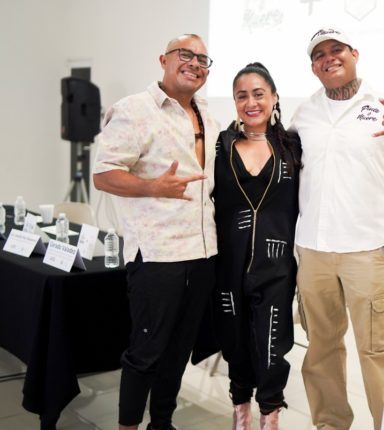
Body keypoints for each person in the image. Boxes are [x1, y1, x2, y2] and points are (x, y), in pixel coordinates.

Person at [289, 27, 384, 430]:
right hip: (312, 250)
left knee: (378, 351)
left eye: (337, 49)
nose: (329, 58)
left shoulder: (382, 107)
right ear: (313, 67)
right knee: (321, 349)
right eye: (319, 55)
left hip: (366, 250)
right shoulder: (304, 114)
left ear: (354, 54)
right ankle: (330, 424)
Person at [92, 34, 219, 430]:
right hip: (158, 255)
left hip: (202, 253)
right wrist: (153, 187)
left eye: (203, 59)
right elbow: (103, 175)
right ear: (163, 60)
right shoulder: (134, 110)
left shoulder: (209, 116)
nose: (195, 63)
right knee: (146, 353)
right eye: (186, 54)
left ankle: (161, 423)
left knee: (179, 351)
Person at [212, 62, 301, 430]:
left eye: (259, 94)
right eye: (242, 96)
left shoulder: (292, 145)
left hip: (275, 264)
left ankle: (269, 415)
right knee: (234, 341)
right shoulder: (221, 144)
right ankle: (240, 413)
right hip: (229, 261)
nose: (251, 102)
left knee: (271, 344)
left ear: (274, 97)